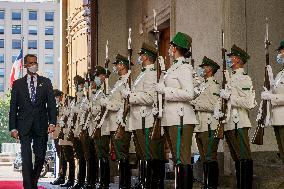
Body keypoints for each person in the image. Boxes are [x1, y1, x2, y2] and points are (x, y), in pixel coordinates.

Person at [155, 32, 198, 189]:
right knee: (177, 158)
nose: (168, 49)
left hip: (181, 118)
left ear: (174, 48)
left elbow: (189, 94)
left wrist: (165, 90)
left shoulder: (185, 68)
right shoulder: (173, 68)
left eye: (171, 46)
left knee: (182, 159)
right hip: (171, 117)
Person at [9, 54, 57, 189]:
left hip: (41, 125)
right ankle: (29, 187)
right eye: (30, 63)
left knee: (41, 157)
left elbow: (51, 104)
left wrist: (52, 122)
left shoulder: (46, 82)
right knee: (26, 158)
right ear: (25, 66)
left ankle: (33, 182)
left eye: (35, 62)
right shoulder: (17, 84)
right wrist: (13, 128)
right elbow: (13, 107)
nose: (34, 65)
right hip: (23, 126)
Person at [122, 42, 165, 188]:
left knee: (149, 153)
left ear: (146, 56)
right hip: (137, 119)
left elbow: (149, 97)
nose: (139, 57)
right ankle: (145, 181)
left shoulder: (151, 73)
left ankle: (152, 183)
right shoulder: (142, 74)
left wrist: (131, 96)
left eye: (141, 55)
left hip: (145, 119)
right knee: (143, 154)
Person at [218, 44, 256, 189]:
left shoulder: (244, 78)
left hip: (239, 122)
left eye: (232, 57)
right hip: (229, 122)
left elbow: (248, 102)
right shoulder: (231, 78)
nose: (229, 60)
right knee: (237, 158)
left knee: (244, 157)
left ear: (238, 60)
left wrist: (230, 97)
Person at [100, 54, 133, 188]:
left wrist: (108, 103)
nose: (115, 67)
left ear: (122, 65)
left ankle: (125, 184)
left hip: (121, 122)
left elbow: (122, 104)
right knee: (120, 155)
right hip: (113, 123)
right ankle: (123, 184)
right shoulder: (119, 82)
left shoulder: (127, 81)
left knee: (122, 154)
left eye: (116, 64)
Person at [191, 56, 220, 189]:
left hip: (209, 125)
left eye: (203, 67)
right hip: (200, 126)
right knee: (204, 158)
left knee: (210, 157)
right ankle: (207, 184)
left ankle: (211, 186)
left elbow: (213, 105)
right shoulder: (202, 85)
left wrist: (195, 104)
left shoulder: (214, 85)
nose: (201, 70)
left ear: (209, 69)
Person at [261, 40, 284, 163]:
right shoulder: (280, 73)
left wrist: (271, 97)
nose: (279, 55)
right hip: (278, 119)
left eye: (281, 51)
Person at [90, 66, 112, 189]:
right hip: (97, 126)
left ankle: (105, 182)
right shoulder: (98, 91)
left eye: (98, 76)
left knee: (103, 154)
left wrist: (94, 109)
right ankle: (102, 181)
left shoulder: (107, 90)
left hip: (103, 126)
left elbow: (105, 107)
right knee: (100, 154)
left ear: (104, 76)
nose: (97, 78)